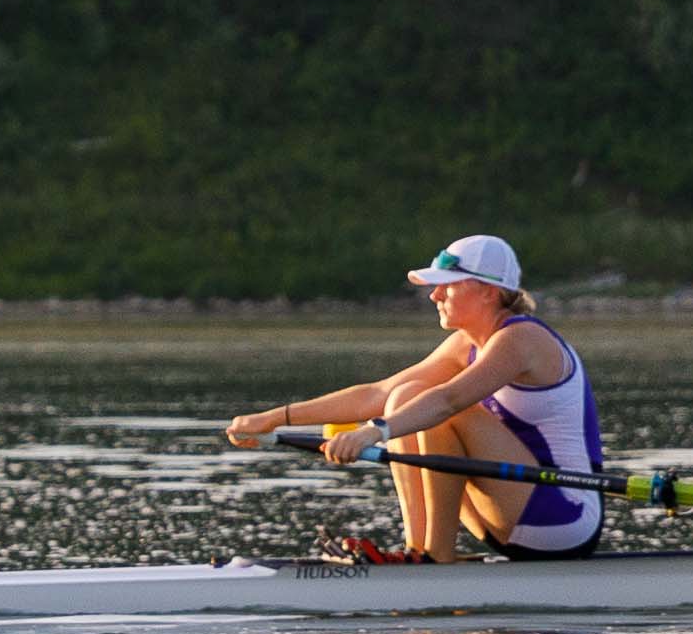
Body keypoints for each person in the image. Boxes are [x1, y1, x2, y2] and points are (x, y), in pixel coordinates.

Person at [218, 233, 603, 563]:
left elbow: (449, 401)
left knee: (438, 409)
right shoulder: (463, 346)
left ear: (488, 291)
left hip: (564, 519)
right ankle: (419, 551)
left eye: (448, 285)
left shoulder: (523, 339)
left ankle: (433, 560)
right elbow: (377, 393)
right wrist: (274, 417)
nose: (435, 294)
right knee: (403, 395)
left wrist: (371, 434)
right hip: (510, 513)